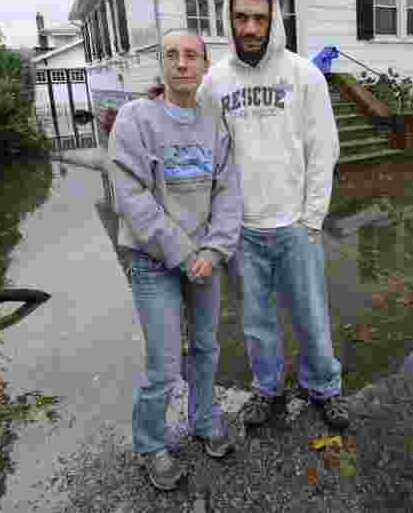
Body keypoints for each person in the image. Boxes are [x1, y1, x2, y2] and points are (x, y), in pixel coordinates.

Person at [196, 0, 348, 430]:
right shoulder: (214, 84)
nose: (250, 27)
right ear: (229, 19)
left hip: (295, 225)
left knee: (311, 316)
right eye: (241, 17)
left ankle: (324, 386)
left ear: (272, 20)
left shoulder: (304, 76)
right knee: (257, 321)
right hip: (243, 228)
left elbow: (325, 148)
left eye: (259, 18)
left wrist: (313, 217)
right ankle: (267, 389)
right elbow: (208, 154)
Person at [108, 29, 242, 491]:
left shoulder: (214, 122)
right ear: (162, 66)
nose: (181, 63)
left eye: (191, 56)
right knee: (164, 362)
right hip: (153, 261)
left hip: (204, 259)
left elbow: (228, 191)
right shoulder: (135, 119)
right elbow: (131, 198)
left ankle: (204, 422)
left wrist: (214, 248)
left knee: (205, 348)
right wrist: (186, 254)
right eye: (172, 55)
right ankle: (151, 444)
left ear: (205, 66)